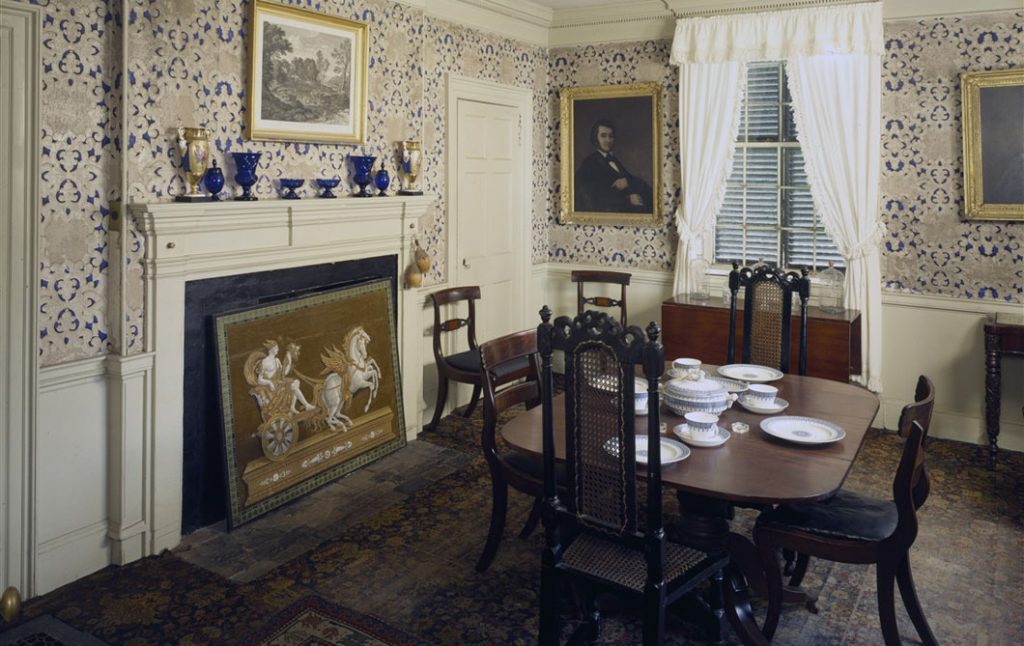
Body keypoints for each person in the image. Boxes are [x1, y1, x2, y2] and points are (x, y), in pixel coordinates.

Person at [574, 119, 653, 213]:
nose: (608, 140)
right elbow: (593, 197)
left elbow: (632, 180)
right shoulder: (589, 163)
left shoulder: (614, 160)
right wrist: (628, 200)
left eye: (611, 136)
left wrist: (627, 181)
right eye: (603, 136)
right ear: (595, 138)